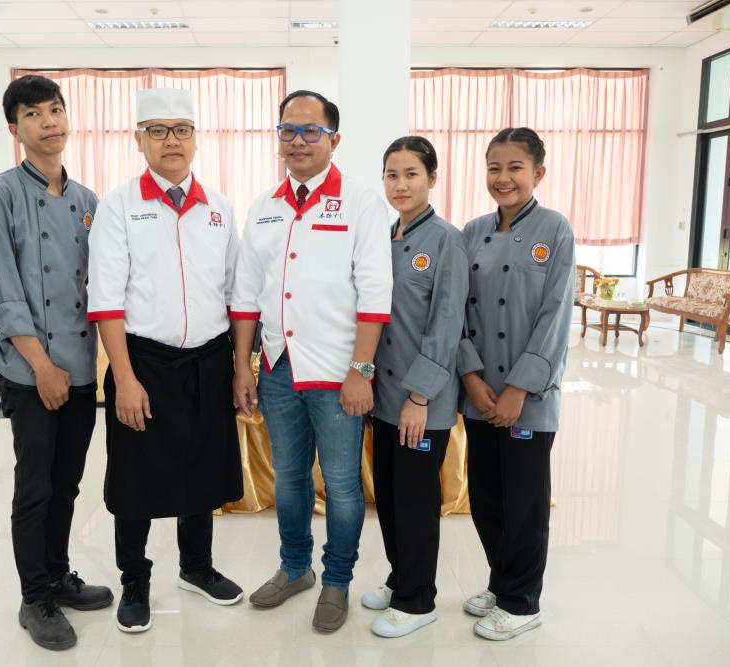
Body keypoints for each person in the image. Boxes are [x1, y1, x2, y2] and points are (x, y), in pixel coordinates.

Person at [230, 90, 392, 633]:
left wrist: (361, 371)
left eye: (310, 131)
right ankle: (295, 567)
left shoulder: (360, 202)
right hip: (279, 367)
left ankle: (337, 580)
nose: (297, 141)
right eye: (287, 131)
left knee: (342, 485)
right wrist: (242, 366)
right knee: (290, 479)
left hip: (338, 372)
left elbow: (375, 292)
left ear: (333, 140)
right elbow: (247, 294)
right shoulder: (264, 206)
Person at [87, 87, 244, 634]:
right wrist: (124, 378)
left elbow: (235, 294)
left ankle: (196, 567)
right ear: (139, 140)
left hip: (209, 362)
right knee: (135, 480)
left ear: (196, 138)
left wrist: (239, 367)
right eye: (157, 130)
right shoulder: (118, 206)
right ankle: (135, 581)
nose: (170, 140)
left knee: (202, 470)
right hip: (144, 364)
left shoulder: (219, 208)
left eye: (181, 129)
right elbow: (106, 300)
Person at [0, 75, 113, 651]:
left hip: (79, 364)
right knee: (34, 487)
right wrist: (41, 366)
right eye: (33, 114)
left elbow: (100, 286)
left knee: (67, 484)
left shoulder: (88, 201)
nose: (48, 122)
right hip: (30, 370)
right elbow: (3, 292)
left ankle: (57, 576)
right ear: (15, 129)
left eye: (55, 110)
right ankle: (35, 599)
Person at [457, 127, 575, 641]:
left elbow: (555, 316)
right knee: (486, 499)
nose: (503, 178)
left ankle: (523, 602)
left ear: (538, 173)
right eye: (494, 168)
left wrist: (518, 389)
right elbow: (455, 311)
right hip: (480, 394)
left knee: (524, 502)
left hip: (529, 399)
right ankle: (501, 580)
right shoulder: (471, 232)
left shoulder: (556, 229)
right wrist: (471, 377)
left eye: (515, 168)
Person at [361, 136, 468, 638]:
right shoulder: (384, 237)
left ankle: (418, 599)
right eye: (392, 174)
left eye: (411, 174)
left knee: (415, 502)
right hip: (384, 397)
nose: (400, 184)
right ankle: (400, 577)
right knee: (389, 496)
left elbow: (446, 325)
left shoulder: (446, 240)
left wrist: (419, 397)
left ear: (432, 178)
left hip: (421, 401)